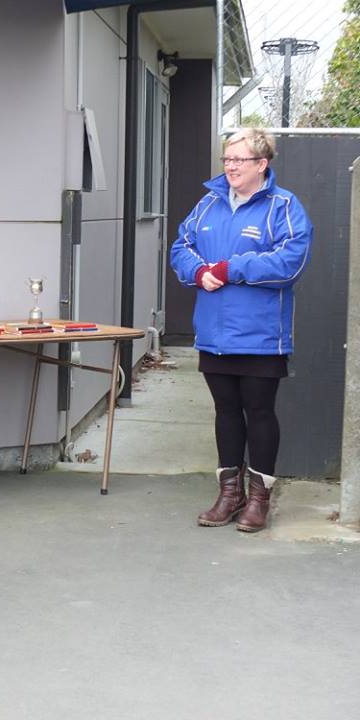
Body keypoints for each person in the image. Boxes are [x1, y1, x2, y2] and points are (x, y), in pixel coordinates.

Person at [170, 128, 312, 533]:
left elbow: (290, 262)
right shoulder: (209, 203)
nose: (230, 166)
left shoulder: (284, 207)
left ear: (261, 164)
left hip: (261, 335)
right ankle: (229, 495)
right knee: (225, 412)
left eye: (239, 160)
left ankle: (259, 500)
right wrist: (198, 271)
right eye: (227, 159)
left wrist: (231, 268)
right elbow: (181, 247)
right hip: (214, 333)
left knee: (260, 412)